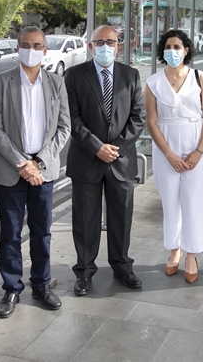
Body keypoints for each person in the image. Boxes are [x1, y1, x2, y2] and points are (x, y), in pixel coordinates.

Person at [0, 27, 71, 318]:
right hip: (11, 171)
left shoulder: (57, 83)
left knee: (41, 232)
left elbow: (64, 129)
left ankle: (41, 285)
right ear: (17, 47)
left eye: (37, 45)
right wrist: (23, 164)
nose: (31, 50)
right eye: (25, 44)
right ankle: (11, 287)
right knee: (10, 233)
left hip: (43, 172)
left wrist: (39, 164)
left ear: (45, 50)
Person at [64, 25, 146, 295]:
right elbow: (72, 118)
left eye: (110, 41)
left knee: (121, 218)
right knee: (85, 219)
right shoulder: (74, 75)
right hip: (87, 159)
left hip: (120, 162)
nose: (105, 46)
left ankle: (122, 266)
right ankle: (85, 272)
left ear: (118, 44)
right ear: (90, 46)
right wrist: (96, 147)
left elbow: (138, 117)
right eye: (99, 42)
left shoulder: (131, 75)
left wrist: (117, 148)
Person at [144, 29, 203, 283]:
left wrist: (198, 151)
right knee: (170, 200)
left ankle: (192, 254)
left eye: (178, 46)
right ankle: (175, 250)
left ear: (186, 50)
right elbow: (151, 122)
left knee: (194, 201)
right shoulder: (153, 82)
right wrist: (170, 155)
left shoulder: (199, 77)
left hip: (197, 142)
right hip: (166, 147)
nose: (173, 51)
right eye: (168, 47)